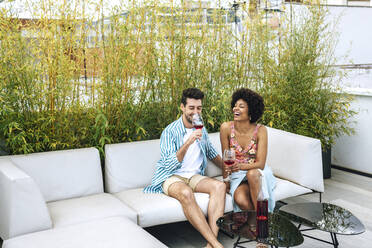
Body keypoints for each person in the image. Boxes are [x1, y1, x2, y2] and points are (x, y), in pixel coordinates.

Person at [144, 88, 226, 248]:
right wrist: (188, 142)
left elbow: (210, 152)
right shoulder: (170, 131)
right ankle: (217, 245)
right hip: (171, 176)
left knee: (220, 186)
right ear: (182, 107)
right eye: (191, 108)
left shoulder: (201, 127)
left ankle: (211, 244)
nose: (195, 112)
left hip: (194, 176)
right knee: (186, 193)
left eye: (199, 108)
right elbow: (168, 164)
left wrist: (229, 169)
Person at [220, 88, 276, 213]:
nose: (236, 109)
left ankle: (261, 227)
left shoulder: (260, 130)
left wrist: (240, 166)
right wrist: (226, 181)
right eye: (235, 106)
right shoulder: (226, 128)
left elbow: (260, 164)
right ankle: (264, 221)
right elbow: (226, 159)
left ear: (251, 110)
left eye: (241, 106)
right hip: (238, 176)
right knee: (240, 200)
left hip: (257, 173)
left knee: (252, 174)